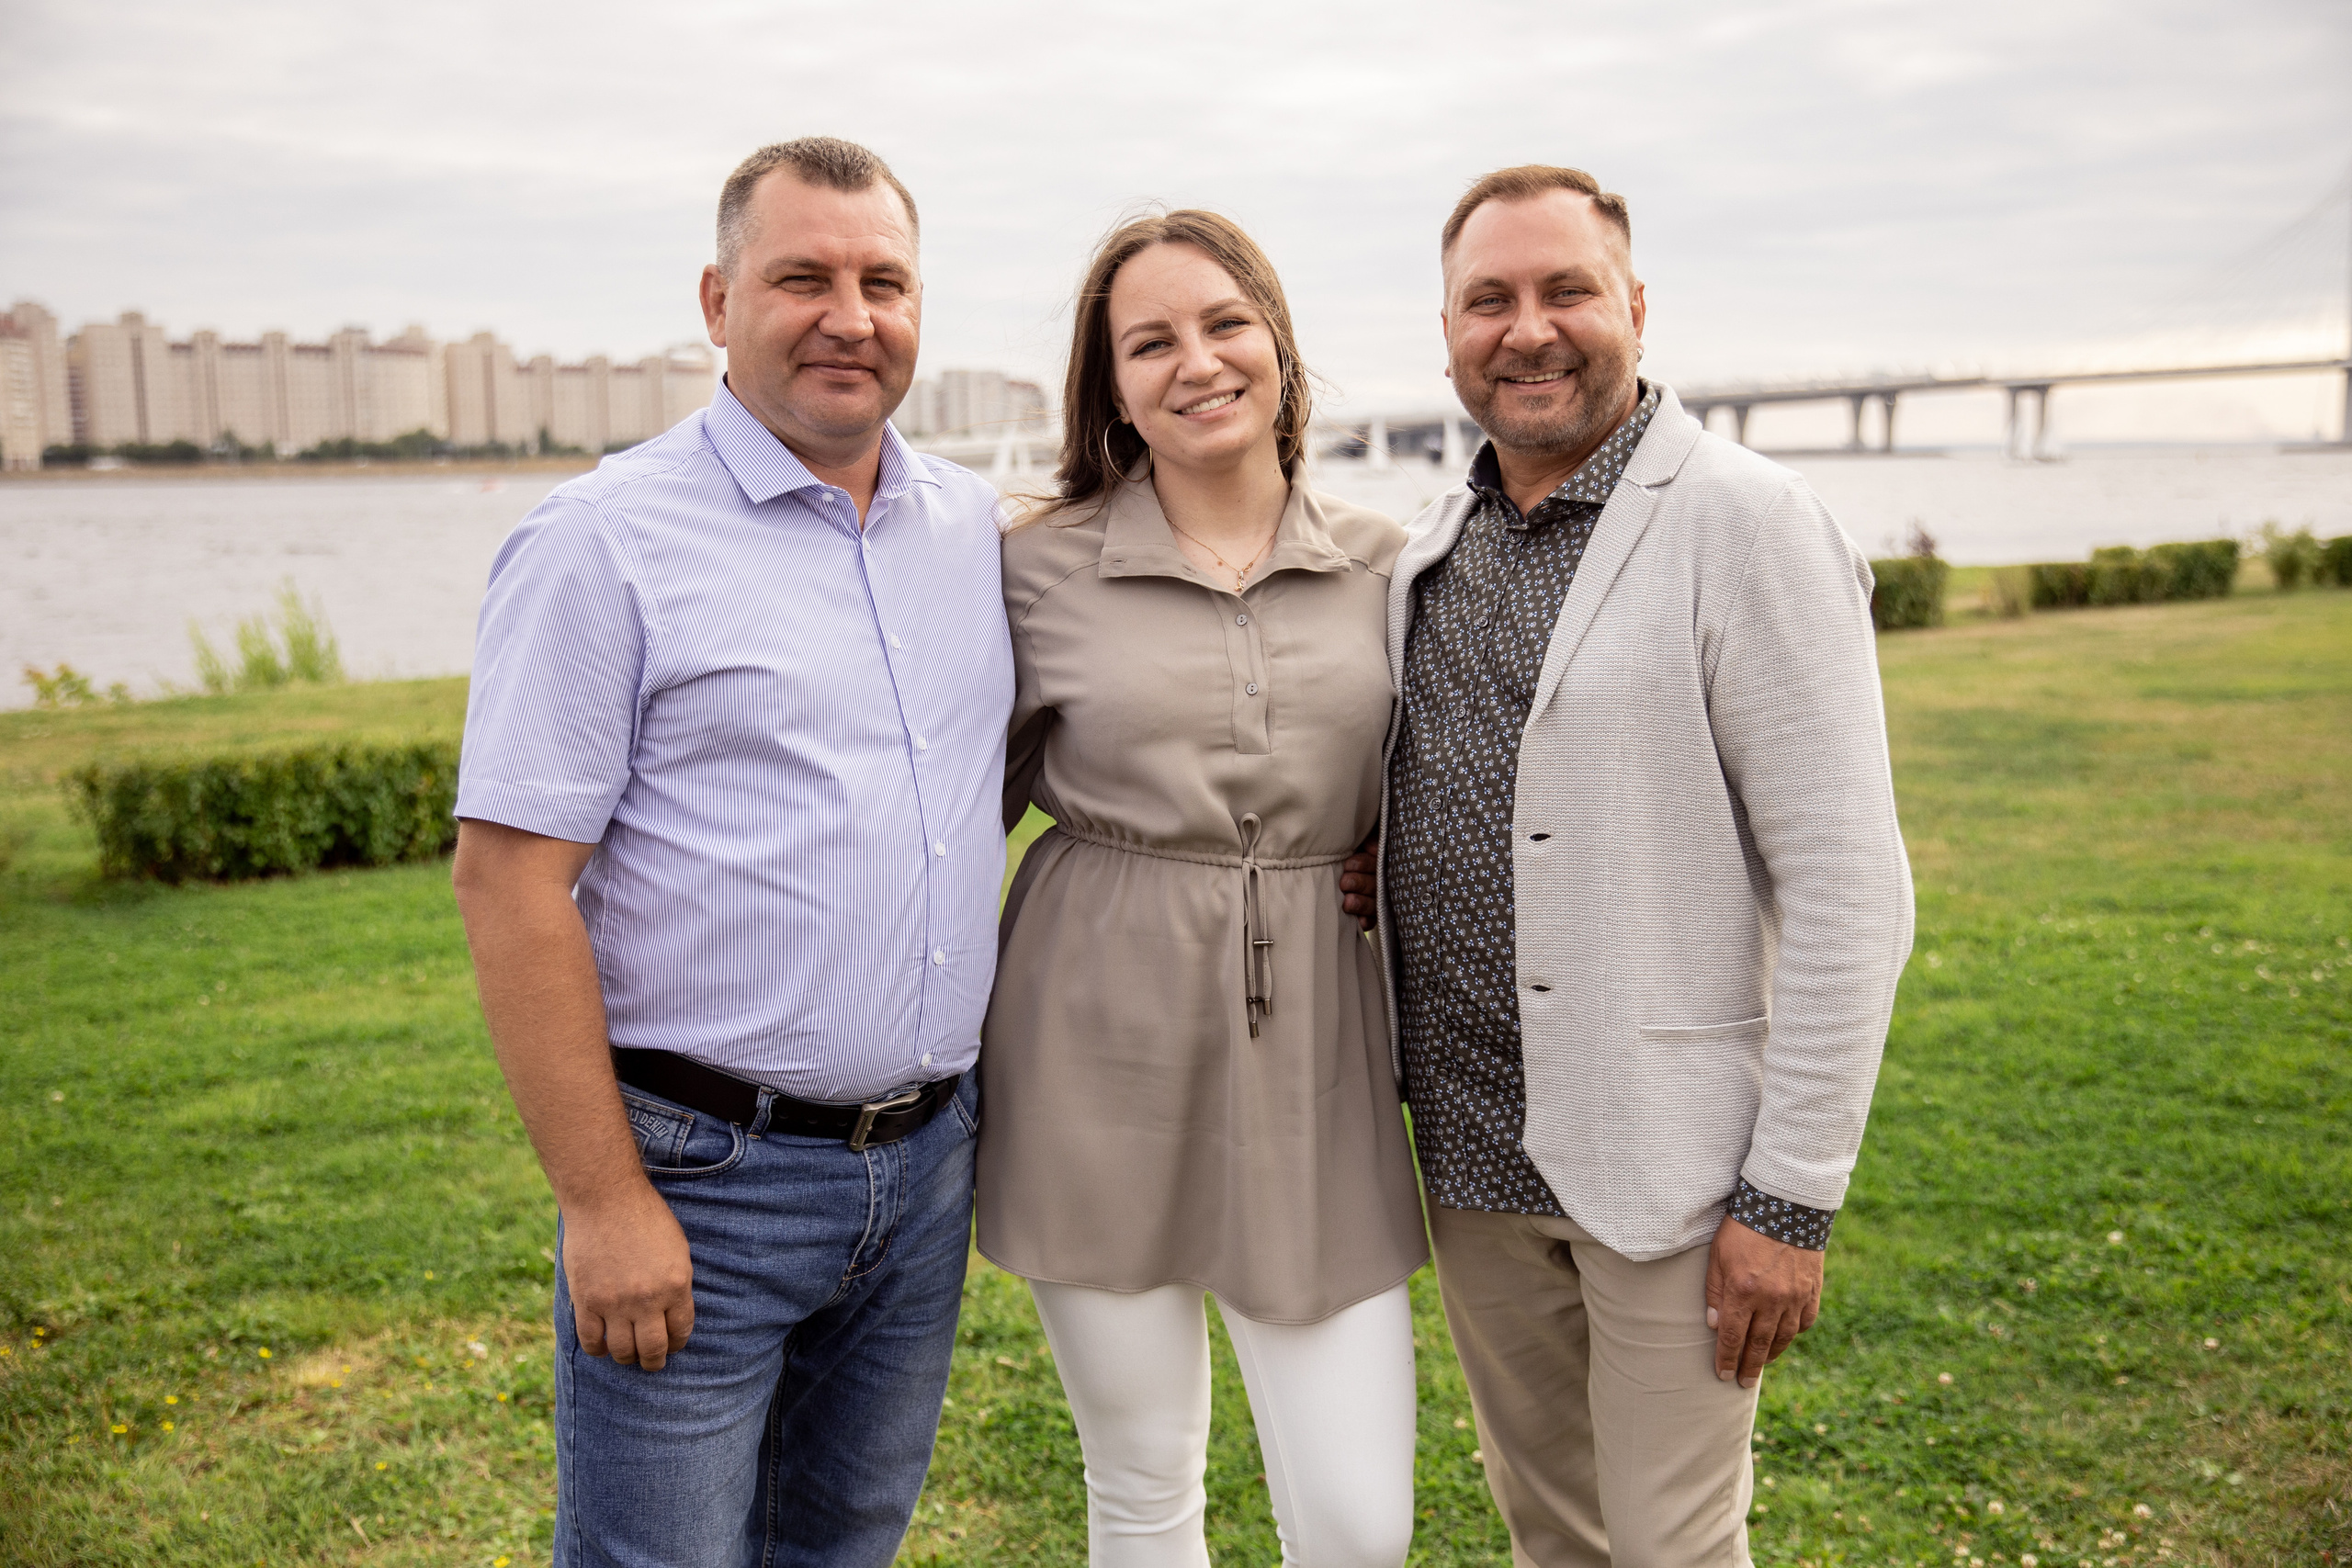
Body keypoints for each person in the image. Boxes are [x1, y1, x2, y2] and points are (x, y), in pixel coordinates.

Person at [449, 137, 1012, 1568]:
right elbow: (509, 881)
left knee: (845, 1548)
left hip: (927, 1163)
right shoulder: (606, 540)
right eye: (801, 277)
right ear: (716, 299)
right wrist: (601, 1200)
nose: (851, 314)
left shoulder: (970, 527)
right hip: (702, 1179)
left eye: (884, 280)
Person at [1341, 165, 1914, 1563]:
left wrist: (1789, 1200)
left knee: (1671, 1545)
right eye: (1491, 299)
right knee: (1550, 1536)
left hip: (1673, 1169)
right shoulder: (1436, 544)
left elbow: (1851, 888)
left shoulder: (1748, 525)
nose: (1527, 329)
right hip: (1472, 1154)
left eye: (1565, 291)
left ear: (1635, 309)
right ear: (1450, 329)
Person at [978, 210, 1426, 1568]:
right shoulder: (1028, 569)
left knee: (1359, 1525)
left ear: (1278, 346)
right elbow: (941, 817)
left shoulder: (1393, 566)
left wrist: (1384, 861)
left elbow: (1453, 798)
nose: (1197, 361)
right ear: (1109, 386)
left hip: (1318, 1065)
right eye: (1150, 340)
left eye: (1225, 323)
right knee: (1142, 1482)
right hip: (1088, 1052)